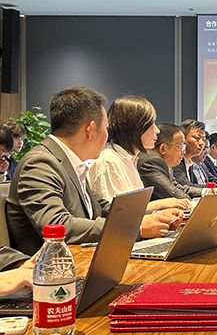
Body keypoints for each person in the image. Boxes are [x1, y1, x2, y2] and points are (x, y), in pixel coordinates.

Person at [5, 86, 182, 256]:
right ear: (90, 129)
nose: (107, 134)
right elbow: (57, 225)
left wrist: (155, 217)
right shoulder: (40, 163)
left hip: (83, 259)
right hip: (53, 270)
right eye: (105, 127)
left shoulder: (71, 163)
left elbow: (105, 209)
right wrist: (135, 228)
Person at [88, 96, 190, 211]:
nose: (157, 130)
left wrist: (160, 205)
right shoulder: (108, 162)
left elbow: (132, 210)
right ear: (135, 127)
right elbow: (117, 215)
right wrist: (158, 206)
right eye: (151, 124)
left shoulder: (129, 159)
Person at [137, 123, 204, 201]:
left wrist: (209, 192)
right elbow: (173, 193)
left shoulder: (164, 164)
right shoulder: (151, 162)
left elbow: (179, 188)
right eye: (180, 146)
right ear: (163, 148)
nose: (183, 151)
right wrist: (190, 201)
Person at [172, 119, 209, 187]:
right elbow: (187, 187)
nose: (201, 143)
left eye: (203, 139)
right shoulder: (175, 161)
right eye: (197, 138)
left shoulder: (189, 162)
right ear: (183, 138)